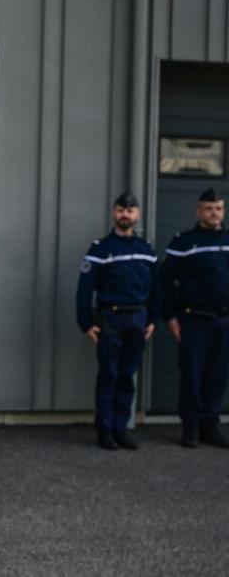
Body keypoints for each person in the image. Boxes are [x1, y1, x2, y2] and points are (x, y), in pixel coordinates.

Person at [75, 191, 158, 450]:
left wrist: (152, 319)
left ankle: (121, 429)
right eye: (121, 210)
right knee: (109, 374)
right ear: (114, 213)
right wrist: (86, 322)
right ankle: (105, 430)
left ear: (137, 215)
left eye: (130, 211)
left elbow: (156, 289)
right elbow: (85, 288)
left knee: (127, 375)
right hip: (111, 317)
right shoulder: (101, 249)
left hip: (138, 317)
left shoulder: (146, 250)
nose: (126, 215)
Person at [160, 187, 229, 448]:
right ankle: (190, 427)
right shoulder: (184, 242)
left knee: (218, 374)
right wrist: (170, 317)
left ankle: (210, 424)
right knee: (192, 373)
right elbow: (166, 283)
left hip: (224, 320)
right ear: (198, 211)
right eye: (209, 208)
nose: (214, 213)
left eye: (219, 208)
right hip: (194, 320)